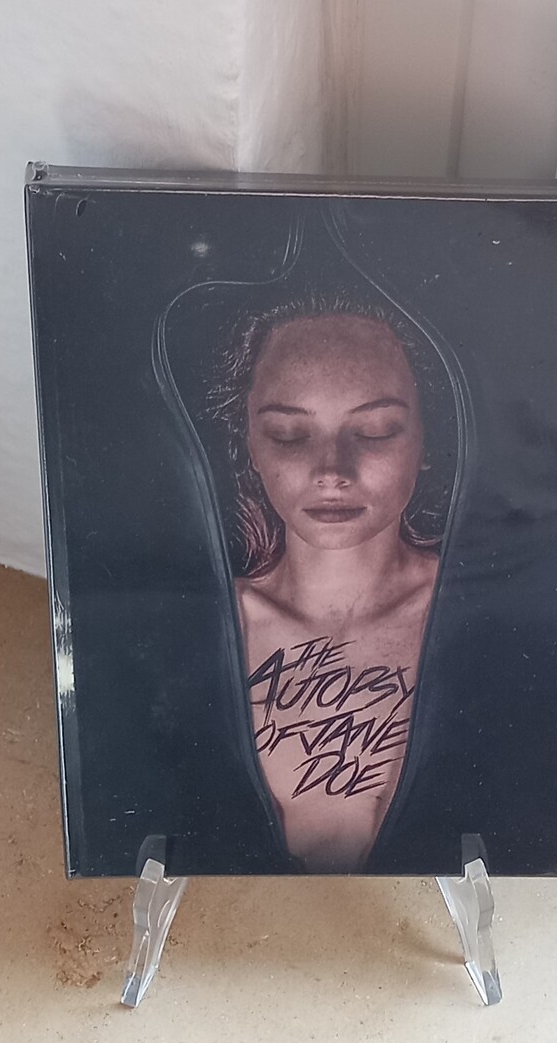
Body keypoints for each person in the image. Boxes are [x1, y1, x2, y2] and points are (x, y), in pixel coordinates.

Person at [214, 295, 450, 872]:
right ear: (250, 445)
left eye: (374, 431)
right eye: (290, 435)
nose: (331, 472)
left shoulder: (485, 611)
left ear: (427, 439)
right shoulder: (207, 628)